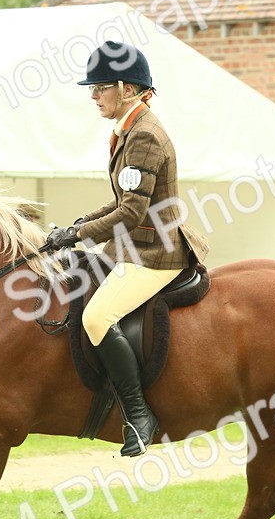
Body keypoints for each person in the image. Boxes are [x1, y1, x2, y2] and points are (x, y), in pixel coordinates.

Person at [46, 41, 210, 457]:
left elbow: (132, 214)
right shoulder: (129, 132)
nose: (93, 96)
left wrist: (80, 235)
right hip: (133, 248)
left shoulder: (144, 137)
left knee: (98, 317)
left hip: (156, 252)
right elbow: (121, 202)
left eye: (100, 87)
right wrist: (77, 226)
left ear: (126, 88)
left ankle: (139, 415)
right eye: (93, 88)